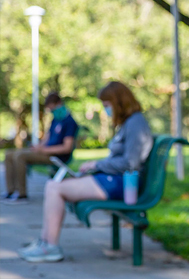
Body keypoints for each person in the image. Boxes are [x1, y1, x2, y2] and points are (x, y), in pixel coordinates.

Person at [17, 81, 153, 262]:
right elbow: (121, 159)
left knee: (54, 188)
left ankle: (50, 246)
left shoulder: (136, 123)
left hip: (122, 183)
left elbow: (130, 163)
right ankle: (45, 242)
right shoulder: (130, 123)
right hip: (114, 180)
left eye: (106, 105)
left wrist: (97, 165)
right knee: (53, 185)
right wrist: (96, 165)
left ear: (119, 102)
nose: (106, 110)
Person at [2, 92, 79, 205]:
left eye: (53, 108)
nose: (52, 111)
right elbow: (47, 138)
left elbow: (66, 147)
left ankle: (22, 194)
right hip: (45, 152)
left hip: (56, 156)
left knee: (20, 156)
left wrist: (44, 150)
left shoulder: (70, 122)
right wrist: (39, 147)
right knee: (9, 153)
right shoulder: (55, 120)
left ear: (59, 103)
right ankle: (11, 191)